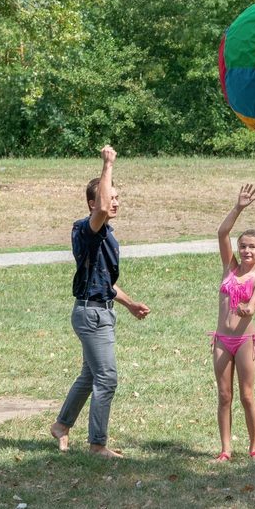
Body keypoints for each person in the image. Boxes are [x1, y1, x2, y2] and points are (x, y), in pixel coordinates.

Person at [50, 145, 150, 458]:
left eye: (119, 197)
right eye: (111, 196)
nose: (116, 202)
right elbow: (103, 209)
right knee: (107, 378)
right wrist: (107, 164)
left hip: (97, 310)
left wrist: (130, 303)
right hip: (92, 316)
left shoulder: (103, 232)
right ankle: (97, 445)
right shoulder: (88, 228)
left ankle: (61, 425)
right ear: (93, 203)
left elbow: (104, 282)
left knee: (90, 375)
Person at [211, 184, 255, 462]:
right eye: (243, 246)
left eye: (252, 247)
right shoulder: (230, 268)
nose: (247, 250)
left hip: (244, 341)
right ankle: (225, 450)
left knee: (247, 396)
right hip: (222, 340)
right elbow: (222, 232)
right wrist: (238, 207)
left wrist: (248, 308)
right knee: (224, 395)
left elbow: (254, 302)